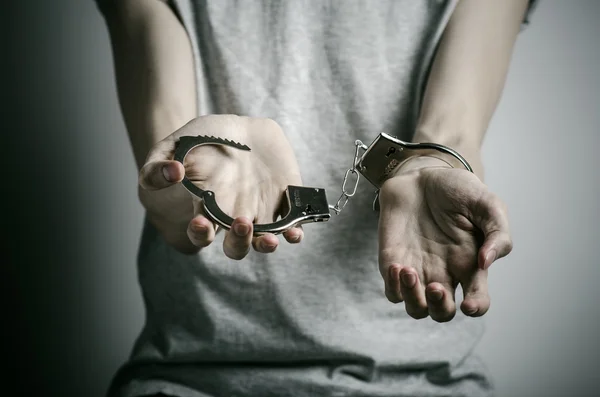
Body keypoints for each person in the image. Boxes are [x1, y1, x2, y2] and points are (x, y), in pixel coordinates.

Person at [96, 0, 536, 396]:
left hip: (420, 381)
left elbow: (451, 132)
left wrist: (428, 164)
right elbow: (168, 204)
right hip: (192, 379)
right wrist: (191, 179)